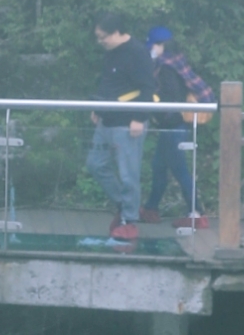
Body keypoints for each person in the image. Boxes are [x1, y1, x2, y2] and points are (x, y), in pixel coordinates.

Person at [140, 22, 214, 226]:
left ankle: (196, 214)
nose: (151, 50)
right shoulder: (179, 62)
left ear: (160, 45)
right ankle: (151, 208)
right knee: (158, 166)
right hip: (175, 125)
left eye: (153, 46)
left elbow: (171, 98)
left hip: (174, 125)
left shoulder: (166, 68)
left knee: (180, 169)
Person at [86, 20, 149, 244]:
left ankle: (129, 221)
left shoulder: (137, 52)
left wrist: (139, 118)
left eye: (103, 36)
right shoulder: (110, 53)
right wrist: (97, 107)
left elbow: (149, 86)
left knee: (128, 173)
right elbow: (108, 82)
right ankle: (125, 205)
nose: (100, 41)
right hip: (106, 119)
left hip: (128, 123)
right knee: (95, 163)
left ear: (116, 32)